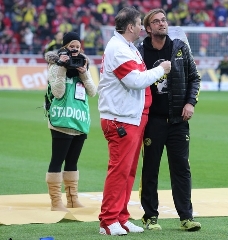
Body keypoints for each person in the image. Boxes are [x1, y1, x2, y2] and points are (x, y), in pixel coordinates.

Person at [97, 7, 171, 236]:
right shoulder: (118, 49)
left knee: (128, 172)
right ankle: (108, 221)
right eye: (140, 24)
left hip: (131, 117)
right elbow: (135, 81)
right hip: (121, 119)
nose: (142, 28)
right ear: (130, 27)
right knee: (119, 171)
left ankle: (121, 217)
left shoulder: (127, 47)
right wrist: (161, 69)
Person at [137, 8, 201, 232]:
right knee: (150, 168)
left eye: (163, 20)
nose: (162, 24)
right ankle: (150, 216)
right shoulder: (139, 51)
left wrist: (190, 103)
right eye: (156, 21)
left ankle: (186, 217)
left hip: (178, 120)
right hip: (152, 120)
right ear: (148, 28)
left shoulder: (179, 48)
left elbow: (194, 78)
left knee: (181, 169)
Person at [44, 31, 97, 212]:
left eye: (77, 47)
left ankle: (73, 199)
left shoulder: (83, 64)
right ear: (64, 47)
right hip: (62, 120)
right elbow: (58, 92)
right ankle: (56, 202)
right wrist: (62, 66)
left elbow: (92, 92)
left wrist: (84, 73)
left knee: (73, 161)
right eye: (71, 46)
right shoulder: (55, 66)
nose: (75, 50)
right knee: (57, 160)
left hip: (80, 120)